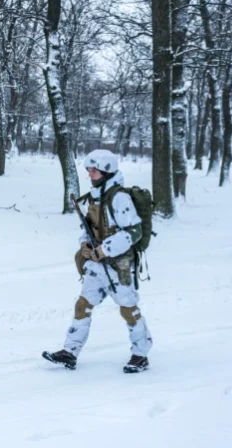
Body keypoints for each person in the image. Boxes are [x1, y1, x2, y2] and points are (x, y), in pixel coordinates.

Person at [43, 149, 153, 373]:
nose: (90, 174)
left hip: (119, 265)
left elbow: (133, 232)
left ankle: (141, 353)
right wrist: (85, 244)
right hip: (96, 264)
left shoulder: (119, 197)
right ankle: (70, 352)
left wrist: (105, 250)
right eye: (89, 170)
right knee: (82, 305)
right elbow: (90, 227)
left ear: (107, 171)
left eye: (94, 171)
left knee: (128, 310)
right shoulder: (94, 196)